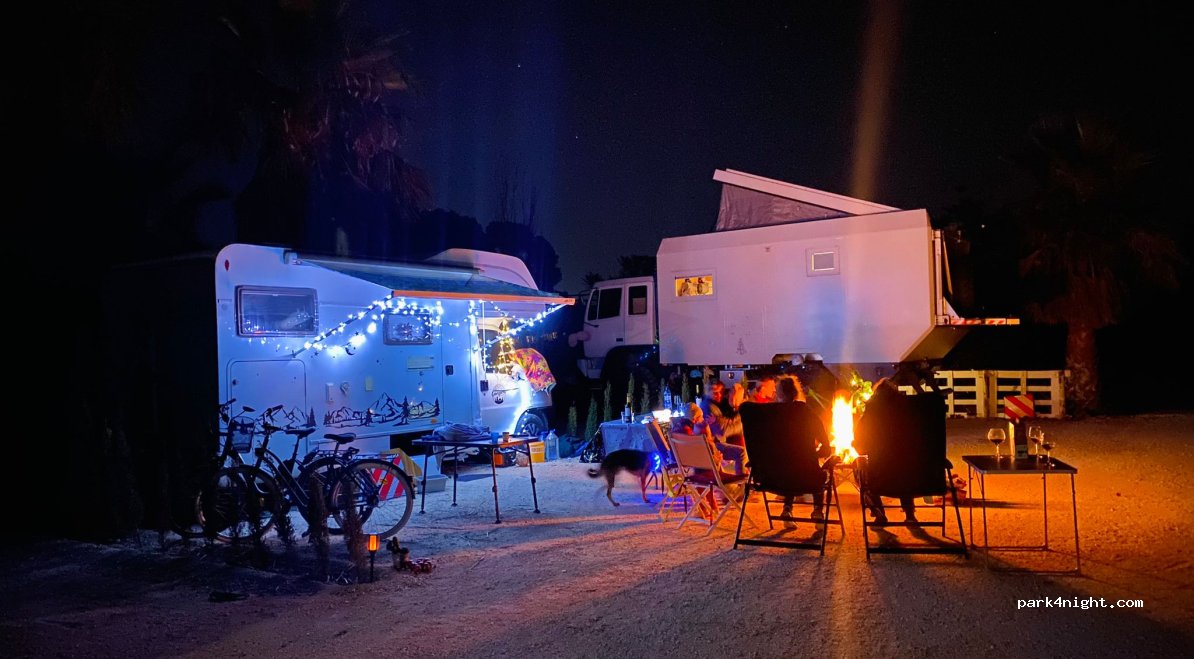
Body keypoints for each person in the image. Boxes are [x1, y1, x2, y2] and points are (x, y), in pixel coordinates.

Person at [853, 377, 920, 524]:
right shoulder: (909, 416)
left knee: (858, 466)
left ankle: (878, 512)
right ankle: (910, 514)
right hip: (911, 478)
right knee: (903, 464)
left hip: (880, 478)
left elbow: (860, 447)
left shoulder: (869, 415)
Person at [774, 376, 832, 525]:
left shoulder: (771, 416)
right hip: (806, 475)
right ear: (796, 392)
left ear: (778, 393)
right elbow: (826, 447)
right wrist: (811, 455)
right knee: (818, 472)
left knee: (788, 465)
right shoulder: (807, 413)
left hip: (774, 476)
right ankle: (817, 511)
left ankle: (787, 508)